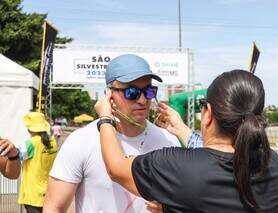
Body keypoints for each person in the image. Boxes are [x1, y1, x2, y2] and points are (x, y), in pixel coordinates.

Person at [95, 69, 278, 212]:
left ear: (208, 113)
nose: (142, 100)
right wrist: (181, 130)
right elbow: (217, 160)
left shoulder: (175, 165)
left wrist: (105, 118)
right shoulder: (272, 164)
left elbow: (116, 167)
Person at [43, 54, 181, 213]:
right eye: (132, 92)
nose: (143, 100)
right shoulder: (81, 141)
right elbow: (53, 207)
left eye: (149, 91)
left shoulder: (169, 141)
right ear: (109, 95)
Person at [18, 112, 58, 213]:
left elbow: (16, 157)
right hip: (50, 191)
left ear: (29, 128)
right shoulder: (53, 142)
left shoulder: (30, 143)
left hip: (33, 194)